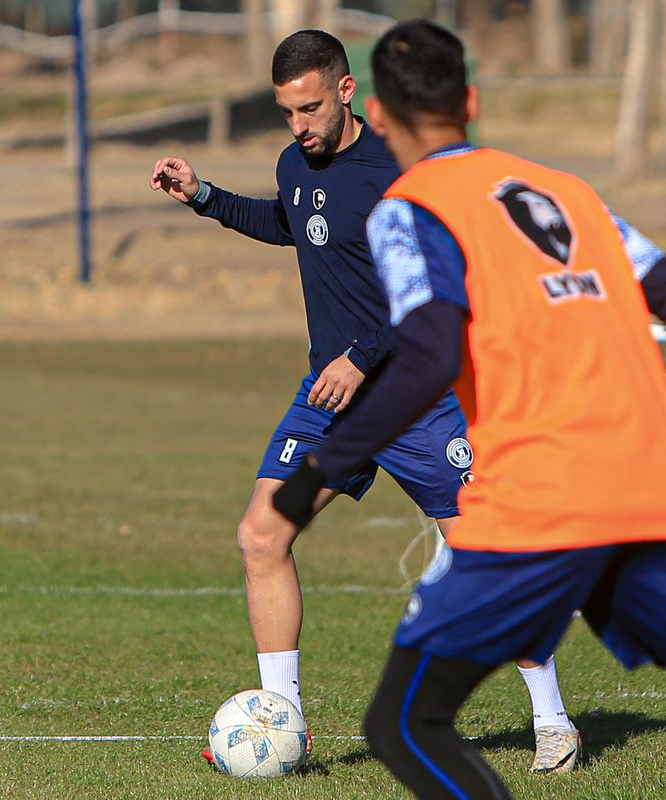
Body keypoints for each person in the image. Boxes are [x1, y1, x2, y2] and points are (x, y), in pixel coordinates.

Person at [265, 19, 666, 800]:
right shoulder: (565, 191)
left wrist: (326, 467)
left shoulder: (410, 208)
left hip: (540, 508)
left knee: (404, 726)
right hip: (649, 498)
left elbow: (431, 351)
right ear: (472, 100)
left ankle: (549, 721)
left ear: (374, 114)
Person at [148, 29, 582, 773]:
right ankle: (281, 727)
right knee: (262, 536)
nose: (298, 127)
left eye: (309, 108)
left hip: (416, 396)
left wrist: (364, 354)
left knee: (483, 556)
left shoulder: (399, 169)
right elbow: (294, 225)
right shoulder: (295, 162)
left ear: (347, 92)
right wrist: (206, 198)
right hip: (329, 396)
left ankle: (553, 723)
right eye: (286, 112)